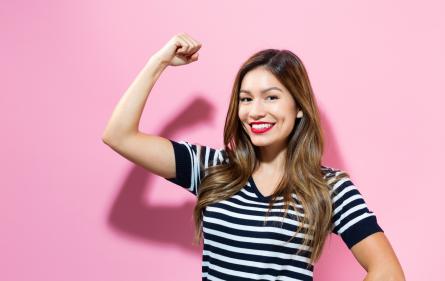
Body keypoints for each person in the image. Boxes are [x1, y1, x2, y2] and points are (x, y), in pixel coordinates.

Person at [102, 33, 405, 281]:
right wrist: (160, 62)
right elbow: (119, 135)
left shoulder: (330, 187)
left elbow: (389, 272)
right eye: (246, 99)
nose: (255, 111)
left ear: (299, 107)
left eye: (271, 97)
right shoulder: (213, 169)